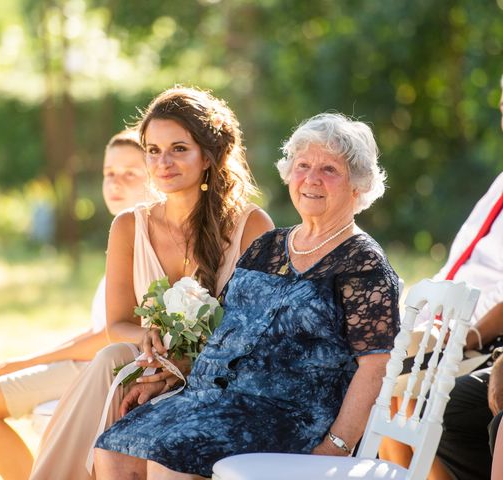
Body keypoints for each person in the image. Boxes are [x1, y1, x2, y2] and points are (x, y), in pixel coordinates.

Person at [93, 112, 401, 480]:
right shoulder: (269, 247)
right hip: (220, 398)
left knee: (170, 456)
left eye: (329, 170)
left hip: (292, 415)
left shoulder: (362, 262)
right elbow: (229, 334)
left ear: (358, 185)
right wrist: (176, 376)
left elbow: (376, 367)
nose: (311, 179)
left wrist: (335, 445)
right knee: (113, 448)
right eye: (302, 165)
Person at [29, 86, 274, 480]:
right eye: (153, 150)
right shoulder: (129, 225)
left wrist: (183, 365)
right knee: (114, 357)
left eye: (179, 148)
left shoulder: (252, 226)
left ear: (208, 156)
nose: (163, 162)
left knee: (114, 362)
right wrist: (147, 339)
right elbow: (117, 325)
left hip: (218, 379)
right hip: (147, 365)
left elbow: (258, 335)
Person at [0, 128, 153, 480]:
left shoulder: (148, 243)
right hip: (87, 361)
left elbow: (111, 337)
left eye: (130, 174)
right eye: (109, 173)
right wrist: (38, 357)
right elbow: (98, 326)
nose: (115, 183)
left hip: (102, 371)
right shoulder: (123, 232)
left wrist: (28, 362)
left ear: (154, 179)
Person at [379, 77, 503, 480]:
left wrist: (470, 337)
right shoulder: (500, 183)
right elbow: (462, 264)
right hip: (445, 319)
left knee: (399, 388)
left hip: (478, 334)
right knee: (371, 366)